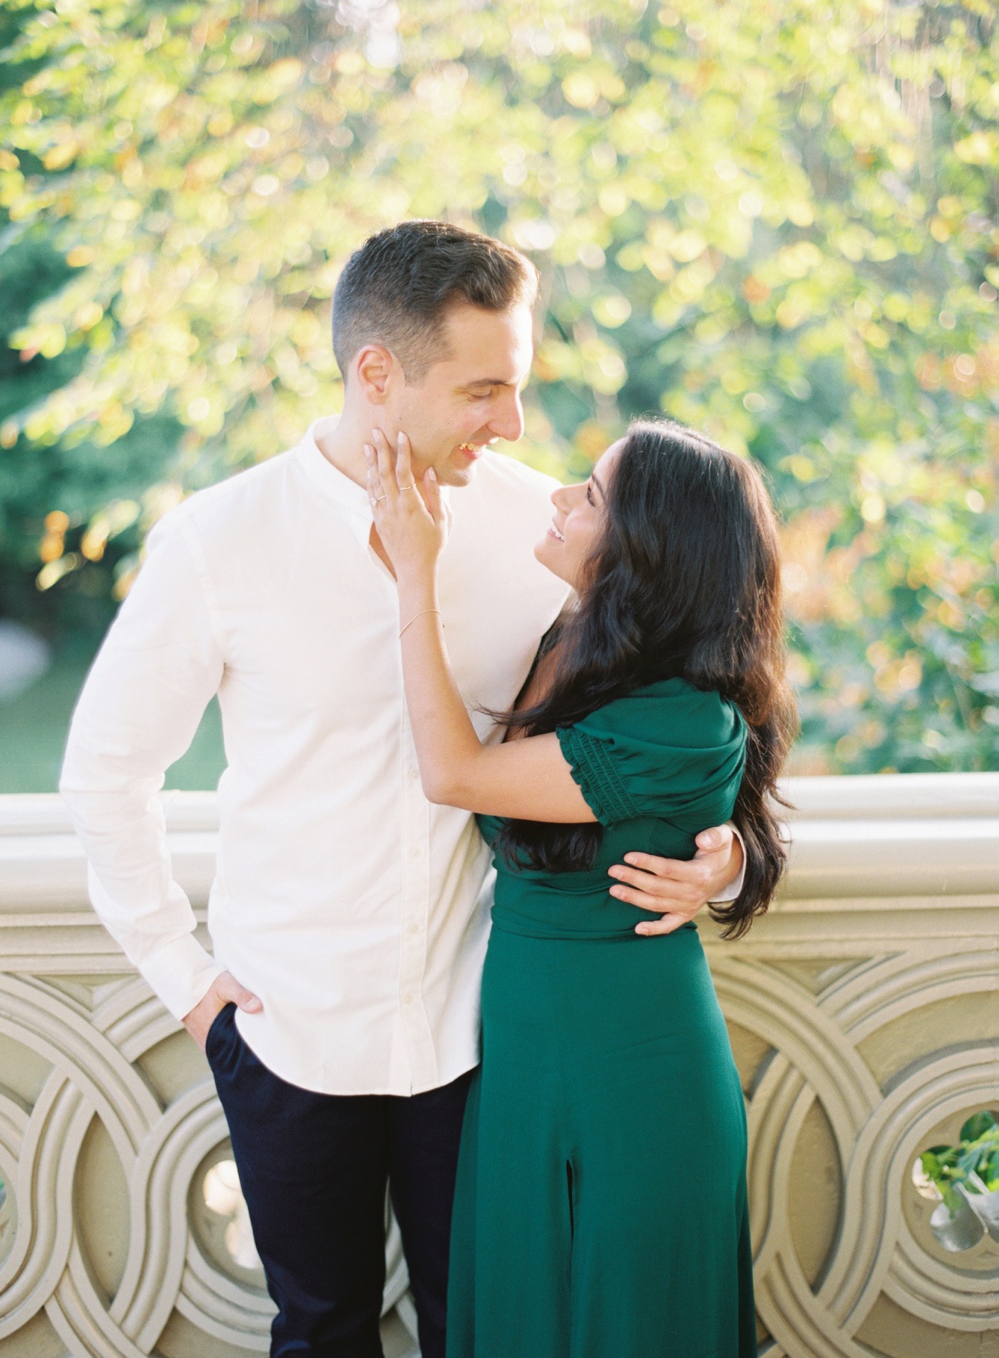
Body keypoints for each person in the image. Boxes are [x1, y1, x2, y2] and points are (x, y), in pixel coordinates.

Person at [59, 219, 748, 1357]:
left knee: (479, 1329)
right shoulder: (218, 539)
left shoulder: (549, 529)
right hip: (286, 1025)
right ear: (375, 373)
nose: (511, 424)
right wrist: (185, 983)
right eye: (483, 389)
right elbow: (105, 770)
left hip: (480, 1028)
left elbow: (685, 697)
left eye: (515, 386)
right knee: (321, 1328)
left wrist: (717, 841)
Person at [366, 418, 788, 1356]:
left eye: (590, 496)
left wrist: (413, 575)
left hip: (633, 1072)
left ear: (647, 548)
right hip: (522, 1061)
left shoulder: (681, 714)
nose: (559, 497)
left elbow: (457, 776)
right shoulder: (572, 637)